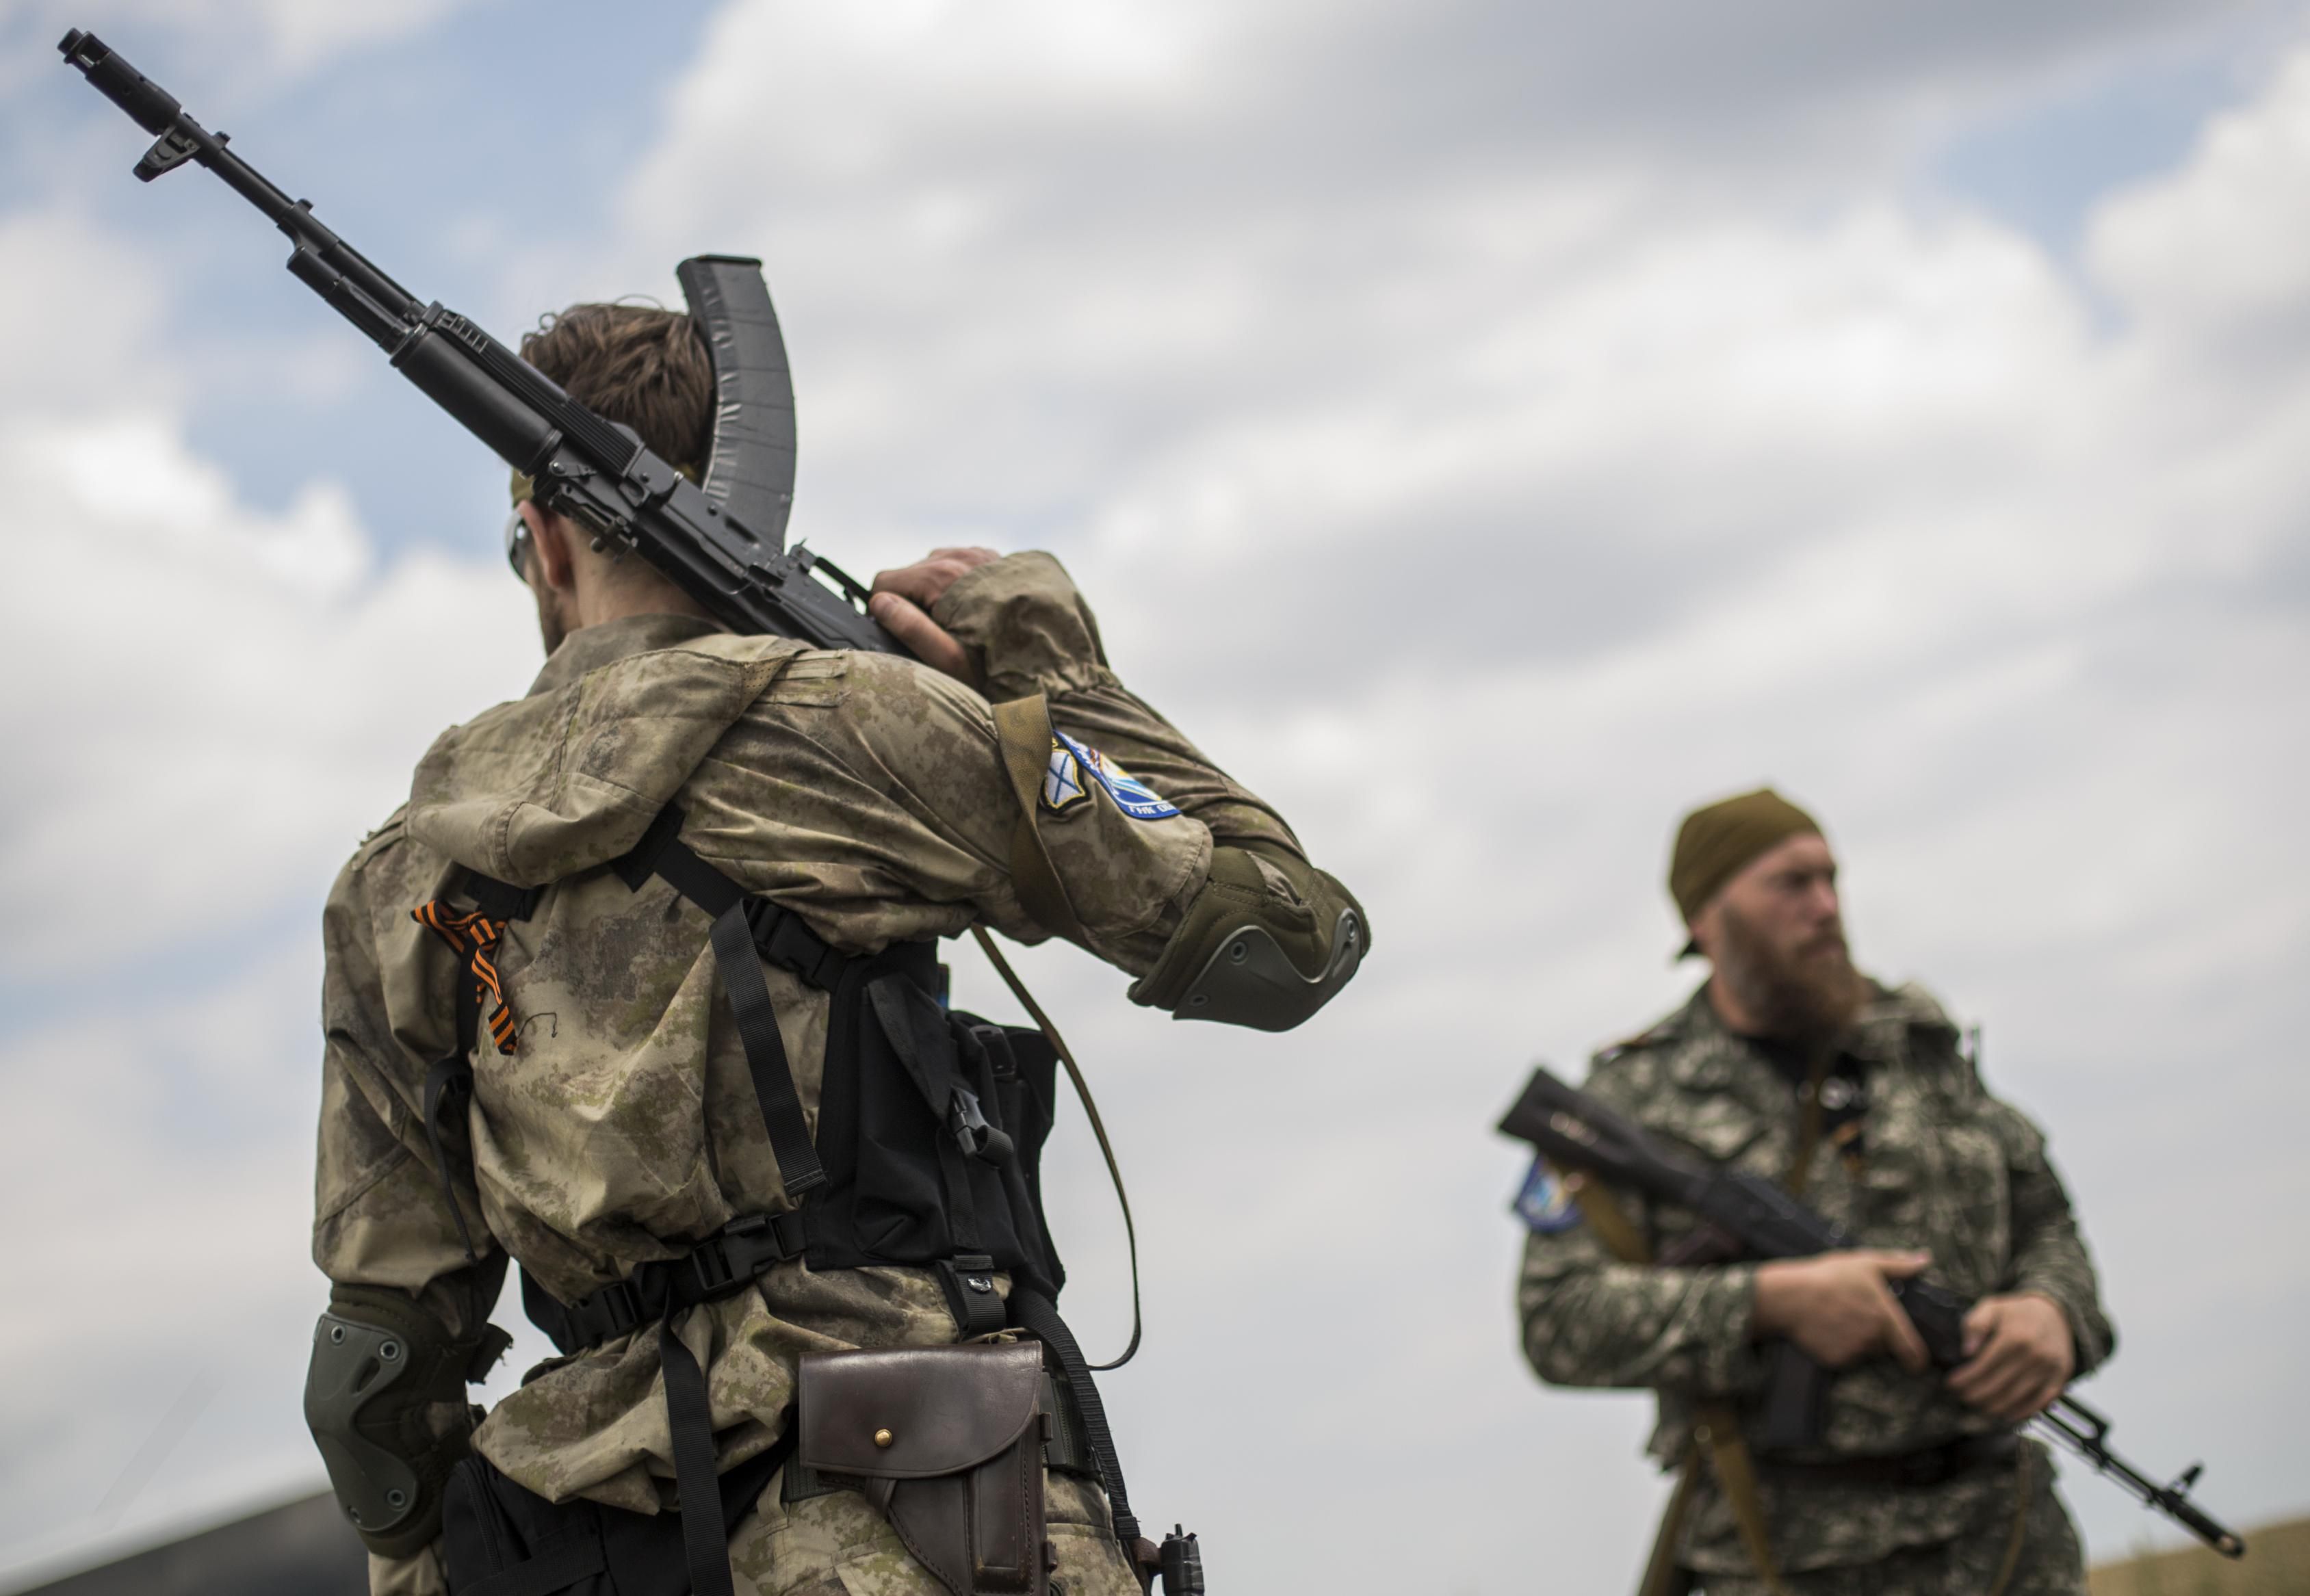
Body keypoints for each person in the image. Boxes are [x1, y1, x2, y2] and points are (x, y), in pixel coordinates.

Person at [305, 302, 1368, 1596]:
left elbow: (376, 1369)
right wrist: (1050, 671)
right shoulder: (868, 728)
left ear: (539, 539)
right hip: (921, 1517)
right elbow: (1289, 938)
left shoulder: (402, 880)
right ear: (741, 506)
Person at [1515, 789, 2111, 1596]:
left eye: (1830, 879)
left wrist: (2051, 1312)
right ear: (1703, 917)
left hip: (2001, 1544)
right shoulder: (1631, 1100)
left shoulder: (1921, 1049)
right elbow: (1558, 1321)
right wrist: (1768, 1302)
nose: (1825, 907)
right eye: (1789, 883)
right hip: (1780, 1556)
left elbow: (2046, 1221)